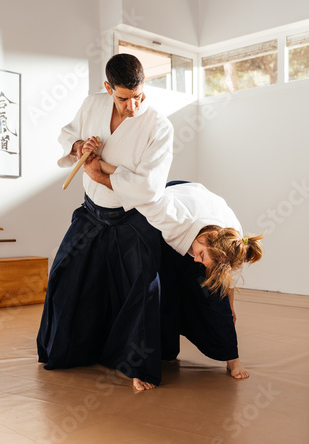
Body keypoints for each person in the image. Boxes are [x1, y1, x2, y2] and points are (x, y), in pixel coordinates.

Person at [37, 54, 173, 391]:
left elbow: (149, 186)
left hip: (132, 218)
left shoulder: (159, 125)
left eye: (139, 95)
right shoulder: (92, 105)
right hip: (92, 212)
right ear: (107, 88)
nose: (133, 105)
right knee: (65, 276)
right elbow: (68, 136)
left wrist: (100, 172)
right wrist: (80, 145)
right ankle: (65, 351)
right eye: (124, 97)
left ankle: (138, 367)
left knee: (143, 289)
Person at [85, 157, 263, 380]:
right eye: (200, 255)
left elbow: (225, 277)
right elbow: (141, 188)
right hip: (172, 200)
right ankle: (158, 350)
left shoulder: (231, 240)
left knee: (212, 293)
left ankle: (232, 359)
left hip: (199, 210)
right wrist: (100, 170)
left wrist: (230, 308)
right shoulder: (171, 217)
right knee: (161, 286)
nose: (197, 260)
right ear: (207, 237)